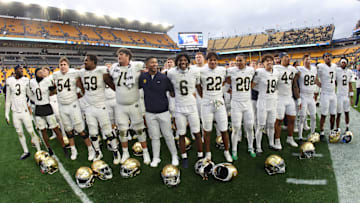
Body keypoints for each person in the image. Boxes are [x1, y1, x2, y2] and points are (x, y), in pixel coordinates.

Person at [108, 48, 150, 164]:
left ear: (128, 56)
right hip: (120, 105)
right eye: (118, 55)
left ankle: (145, 152)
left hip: (134, 104)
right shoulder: (114, 68)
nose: (119, 57)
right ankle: (125, 152)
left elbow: (145, 75)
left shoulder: (136, 66)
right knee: (122, 130)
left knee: (140, 129)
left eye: (121, 54)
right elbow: (109, 79)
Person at [78, 54, 121, 164]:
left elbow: (111, 85)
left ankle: (115, 151)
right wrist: (83, 92)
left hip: (101, 105)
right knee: (92, 132)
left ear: (93, 62)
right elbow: (79, 82)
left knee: (107, 131)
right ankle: (97, 151)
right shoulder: (82, 72)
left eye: (86, 60)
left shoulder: (102, 71)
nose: (85, 62)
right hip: (89, 106)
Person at [52, 57, 96, 161]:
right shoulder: (55, 75)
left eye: (64, 64)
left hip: (73, 105)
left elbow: (84, 74)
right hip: (62, 106)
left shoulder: (73, 73)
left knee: (80, 129)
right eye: (61, 64)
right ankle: (73, 150)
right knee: (68, 130)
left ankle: (90, 149)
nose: (62, 66)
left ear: (68, 65)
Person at [139, 56, 179, 167]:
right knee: (154, 137)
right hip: (149, 112)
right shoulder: (143, 77)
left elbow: (172, 91)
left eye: (156, 63)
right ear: (147, 65)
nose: (154, 64)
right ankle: (156, 158)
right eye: (151, 62)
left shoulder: (164, 77)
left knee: (168, 135)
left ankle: (174, 155)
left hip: (163, 112)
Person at [167, 53, 203, 168]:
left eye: (185, 60)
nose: (183, 62)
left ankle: (200, 155)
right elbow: (170, 90)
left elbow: (198, 86)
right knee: (181, 134)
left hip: (192, 106)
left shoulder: (194, 71)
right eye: (180, 60)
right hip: (179, 107)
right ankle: (184, 157)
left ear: (188, 62)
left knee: (197, 132)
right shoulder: (171, 72)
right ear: (176, 62)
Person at [196, 52, 232, 162]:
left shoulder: (222, 70)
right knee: (207, 130)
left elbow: (228, 80)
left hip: (219, 101)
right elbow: (198, 85)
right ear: (207, 60)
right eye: (210, 60)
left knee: (224, 129)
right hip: (207, 102)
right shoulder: (201, 71)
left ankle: (226, 151)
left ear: (217, 61)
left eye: (215, 60)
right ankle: (208, 153)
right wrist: (204, 96)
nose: (213, 62)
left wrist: (221, 90)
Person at [29, 68, 68, 157]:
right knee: (43, 130)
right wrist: (34, 99)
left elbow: (54, 91)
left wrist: (52, 90)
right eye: (40, 72)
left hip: (47, 106)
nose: (42, 74)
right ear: (36, 74)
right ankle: (49, 148)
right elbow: (29, 92)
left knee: (55, 128)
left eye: (43, 72)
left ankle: (63, 146)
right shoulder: (32, 82)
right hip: (38, 108)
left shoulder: (47, 81)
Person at [5, 65, 41, 159]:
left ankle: (39, 150)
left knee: (31, 131)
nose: (22, 71)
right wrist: (6, 113)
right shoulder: (10, 81)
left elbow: (30, 95)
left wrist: (39, 101)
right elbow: (8, 99)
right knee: (19, 132)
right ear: (15, 71)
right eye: (20, 69)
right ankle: (26, 151)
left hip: (24, 111)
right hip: (15, 112)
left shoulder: (25, 80)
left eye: (22, 69)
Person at [226, 54, 256, 159]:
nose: (238, 62)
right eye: (237, 61)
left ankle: (251, 147)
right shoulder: (231, 70)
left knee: (249, 126)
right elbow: (226, 81)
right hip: (236, 103)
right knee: (236, 127)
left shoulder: (251, 70)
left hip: (247, 102)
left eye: (240, 60)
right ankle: (234, 150)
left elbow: (253, 82)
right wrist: (229, 90)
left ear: (245, 61)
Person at [252, 54, 279, 154]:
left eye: (270, 60)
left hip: (273, 101)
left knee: (271, 124)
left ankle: (271, 143)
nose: (269, 62)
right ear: (263, 63)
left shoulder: (276, 72)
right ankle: (258, 147)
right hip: (263, 101)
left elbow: (276, 86)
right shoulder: (259, 72)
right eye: (266, 61)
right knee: (261, 125)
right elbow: (252, 86)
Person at [273, 52, 300, 150]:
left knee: (292, 119)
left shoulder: (292, 69)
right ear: (280, 59)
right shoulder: (275, 68)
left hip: (289, 97)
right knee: (279, 120)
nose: (288, 59)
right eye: (285, 57)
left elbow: (294, 83)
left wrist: (298, 97)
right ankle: (277, 140)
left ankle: (290, 138)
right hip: (279, 97)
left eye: (289, 57)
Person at [296, 54, 319, 140]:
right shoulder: (300, 69)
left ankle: (312, 133)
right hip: (303, 96)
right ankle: (300, 136)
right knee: (302, 117)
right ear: (303, 61)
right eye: (306, 59)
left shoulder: (314, 69)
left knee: (313, 116)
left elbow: (316, 80)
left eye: (309, 59)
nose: (308, 61)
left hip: (311, 96)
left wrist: (322, 85)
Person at [317, 53, 337, 140]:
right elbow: (314, 76)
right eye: (326, 57)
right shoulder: (321, 66)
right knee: (324, 114)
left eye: (329, 56)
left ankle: (331, 130)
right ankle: (321, 131)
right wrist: (319, 84)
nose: (328, 58)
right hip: (325, 93)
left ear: (331, 58)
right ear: (323, 59)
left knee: (333, 114)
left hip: (333, 93)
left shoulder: (335, 66)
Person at [335, 57, 353, 132]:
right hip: (339, 95)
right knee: (339, 113)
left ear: (346, 63)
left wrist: (351, 97)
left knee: (347, 112)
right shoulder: (337, 70)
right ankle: (338, 128)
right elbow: (335, 81)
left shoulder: (349, 72)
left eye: (344, 62)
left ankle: (347, 126)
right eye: (342, 62)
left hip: (346, 95)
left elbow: (350, 84)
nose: (343, 64)